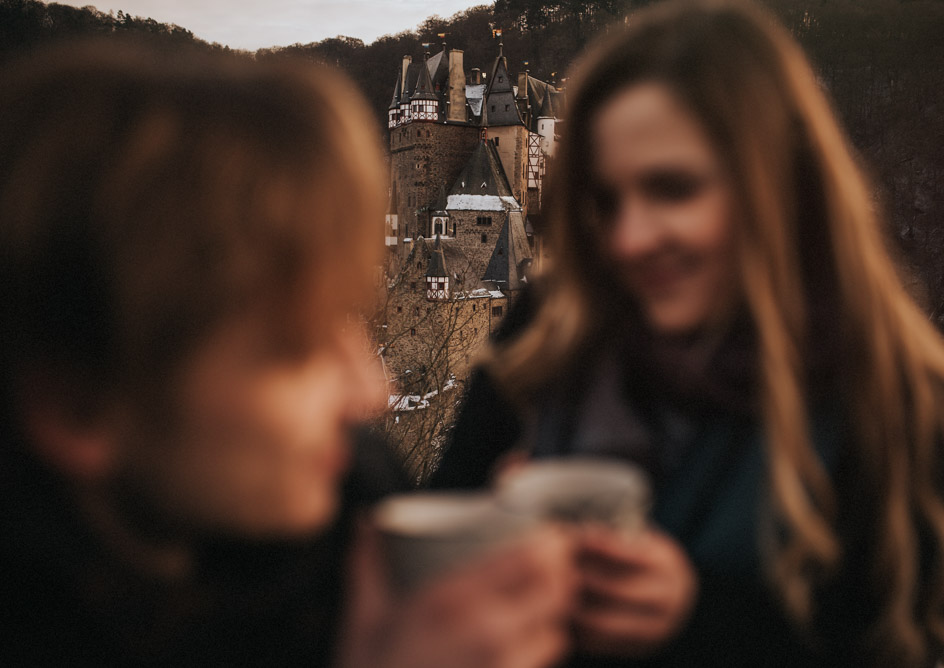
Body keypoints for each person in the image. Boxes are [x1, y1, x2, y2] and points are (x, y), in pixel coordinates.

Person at [431, 0, 944, 665]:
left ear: (777, 184)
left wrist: (698, 619)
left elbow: (891, 644)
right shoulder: (546, 336)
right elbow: (429, 561)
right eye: (605, 200)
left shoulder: (901, 407)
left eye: (673, 189)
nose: (630, 237)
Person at [0, 41, 576, 667]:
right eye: (295, 349)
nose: (372, 390)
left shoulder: (350, 496)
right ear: (81, 408)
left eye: (350, 318)